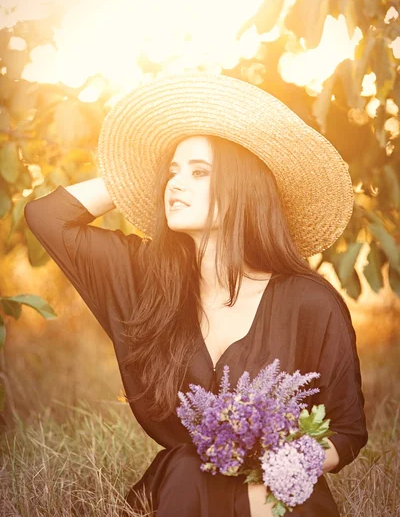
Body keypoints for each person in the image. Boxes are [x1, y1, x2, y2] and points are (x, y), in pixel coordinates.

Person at [24, 73, 368, 517]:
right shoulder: (147, 281)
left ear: (242, 189)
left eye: (199, 172)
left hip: (277, 489)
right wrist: (138, 175)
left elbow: (347, 431)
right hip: (185, 488)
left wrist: (284, 466)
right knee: (189, 464)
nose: (174, 184)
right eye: (171, 172)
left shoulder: (310, 302)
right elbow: (47, 217)